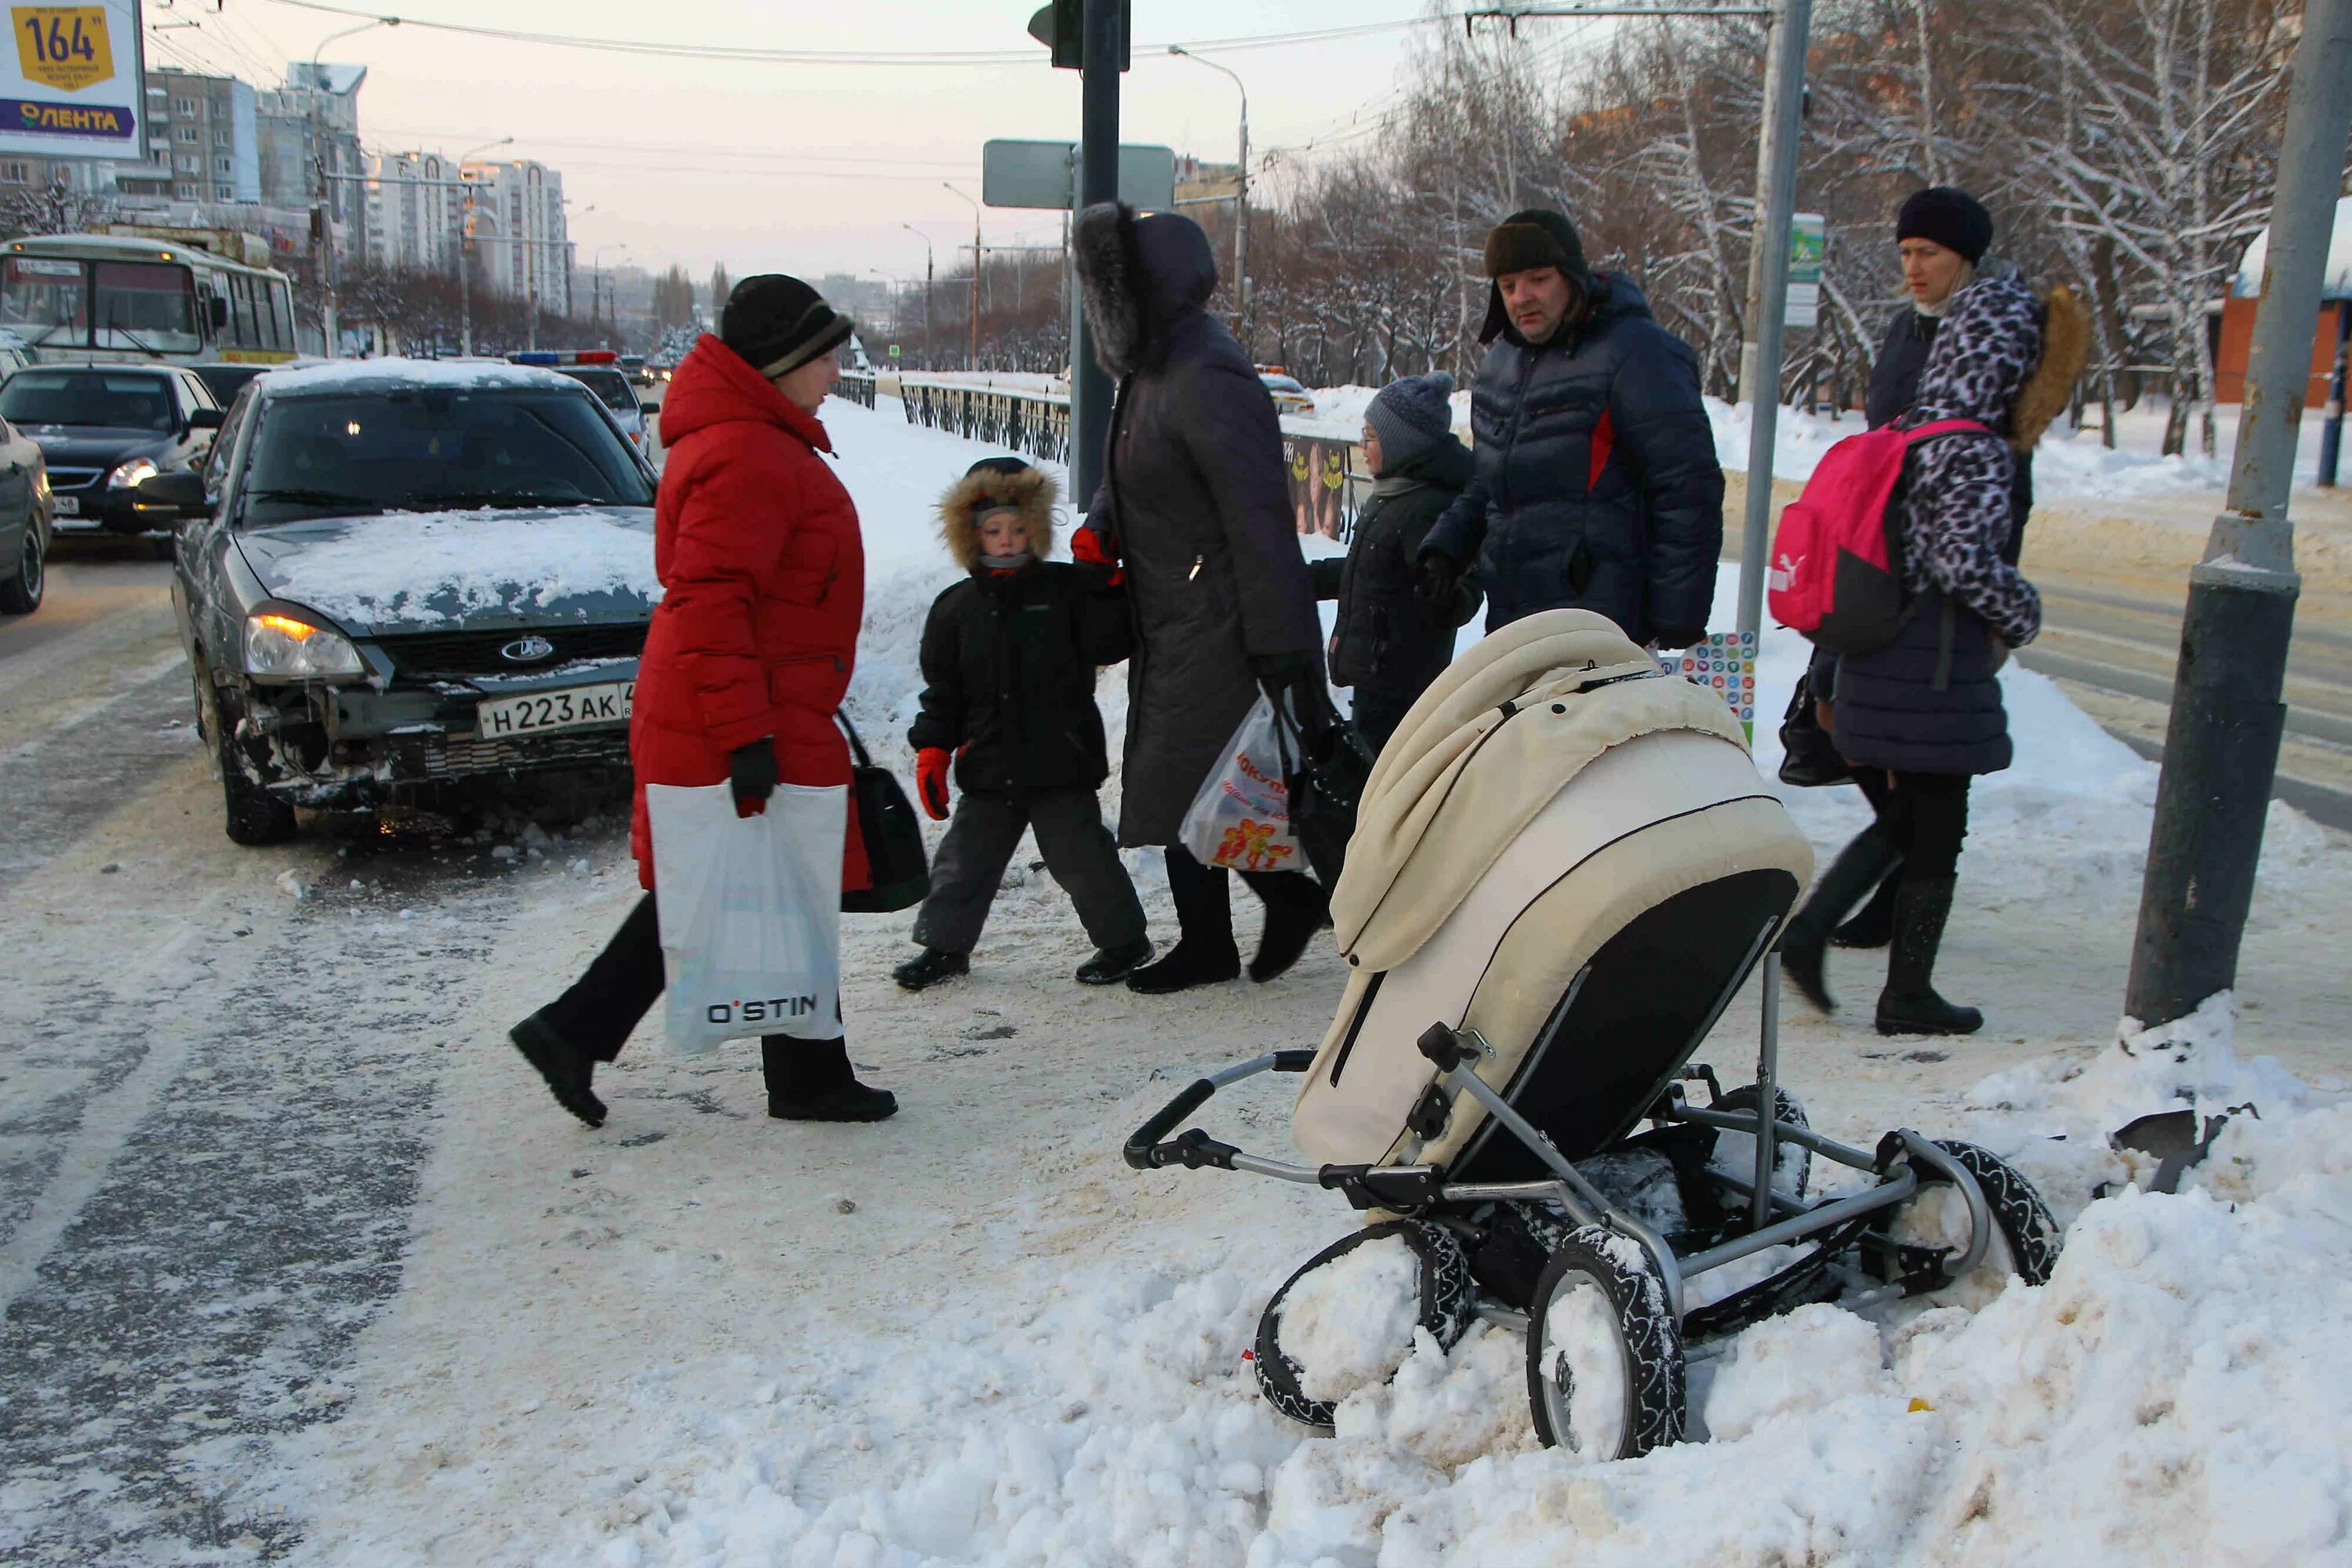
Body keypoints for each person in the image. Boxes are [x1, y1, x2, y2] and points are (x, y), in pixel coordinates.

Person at [507, 274, 896, 1126]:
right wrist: (743, 733)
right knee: (738, 883)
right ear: (785, 360)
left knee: (760, 884)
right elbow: (710, 601)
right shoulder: (748, 453)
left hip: (755, 700)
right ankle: (588, 1031)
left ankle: (798, 1072)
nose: (836, 369)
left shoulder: (752, 439)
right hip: (736, 706)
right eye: (825, 354)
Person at [1779, 274, 2069, 1036]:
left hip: (1885, 655)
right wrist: (2024, 609)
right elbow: (1962, 562)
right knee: (1932, 821)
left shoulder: (1911, 429)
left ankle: (1842, 950)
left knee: (1916, 819)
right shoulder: (1972, 448)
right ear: (2008, 362)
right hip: (1934, 664)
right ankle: (1900, 991)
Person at [1069, 201, 1331, 996]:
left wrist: (1283, 643)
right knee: (1200, 782)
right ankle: (1285, 905)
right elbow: (1139, 468)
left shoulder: (1203, 370)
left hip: (1218, 613)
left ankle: (1225, 936)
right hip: (1174, 608)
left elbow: (1258, 515)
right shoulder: (1156, 368)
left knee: (1195, 781)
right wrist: (1102, 524)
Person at [1814, 187, 2032, 952]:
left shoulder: (1997, 329)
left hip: (1951, 562)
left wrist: (2000, 583)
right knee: (1836, 722)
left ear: (1964, 258)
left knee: (1937, 762)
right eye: (1905, 252)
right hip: (1878, 555)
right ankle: (1885, 894)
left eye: (1928, 254)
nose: (1913, 267)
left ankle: (1893, 909)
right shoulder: (1905, 332)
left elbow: (2006, 459)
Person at [891, 456, 1154, 992]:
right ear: (972, 535)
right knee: (964, 861)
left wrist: (1107, 586)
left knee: (1082, 860)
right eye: (993, 531)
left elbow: (1111, 643)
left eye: (1017, 529)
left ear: (1033, 529)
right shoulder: (955, 609)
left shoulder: (1067, 590)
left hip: (1061, 759)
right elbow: (944, 694)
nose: (1007, 540)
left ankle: (1125, 941)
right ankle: (944, 948)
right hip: (988, 761)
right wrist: (933, 751)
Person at [1415, 209, 1722, 650]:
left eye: (1538, 278)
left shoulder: (1638, 353)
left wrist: (1679, 614)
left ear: (1572, 277)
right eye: (1508, 286)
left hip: (1603, 629)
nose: (1521, 297)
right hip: (1515, 622)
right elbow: (1492, 482)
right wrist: (1447, 547)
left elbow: (1686, 488)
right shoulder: (1500, 366)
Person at [1308, 372, 1480, 753]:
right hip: (1376, 677)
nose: (1362, 445)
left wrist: (1445, 590)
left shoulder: (1429, 508)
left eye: (1370, 436)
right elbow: (1371, 570)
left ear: (1401, 444)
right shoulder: (1394, 495)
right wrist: (1303, 579)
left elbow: (1464, 591)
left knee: (1377, 789)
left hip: (1399, 690)